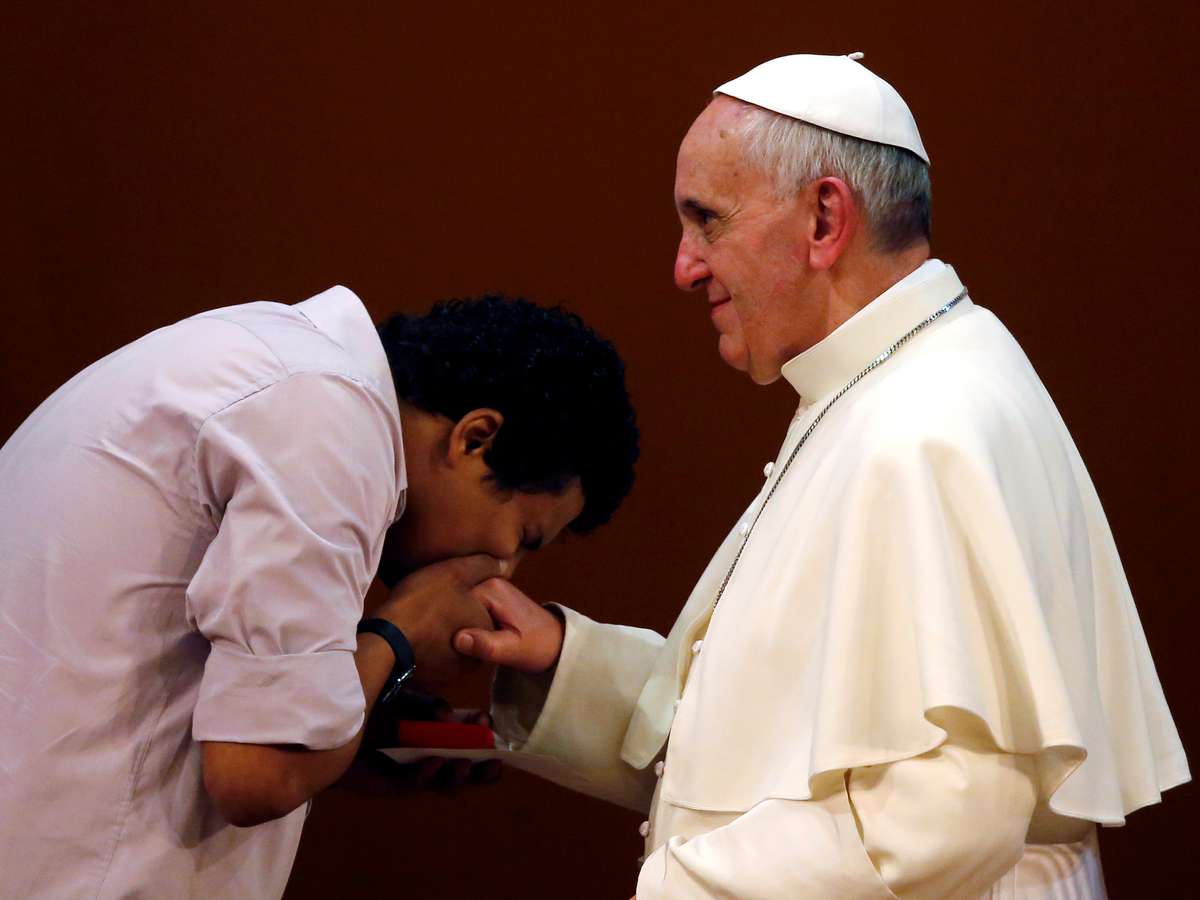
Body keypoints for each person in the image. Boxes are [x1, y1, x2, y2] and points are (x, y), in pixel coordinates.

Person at [454, 53, 1190, 898]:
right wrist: (566, 665)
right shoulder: (885, 383)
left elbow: (939, 817)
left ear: (824, 219)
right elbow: (789, 740)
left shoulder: (926, 425)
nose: (684, 266)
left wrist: (675, 889)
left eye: (707, 220)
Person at [0, 287, 638, 898]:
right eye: (524, 537)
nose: (504, 570)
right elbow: (256, 775)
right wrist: (399, 633)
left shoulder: (281, 364)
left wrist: (352, 726)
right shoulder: (329, 424)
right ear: (475, 439)